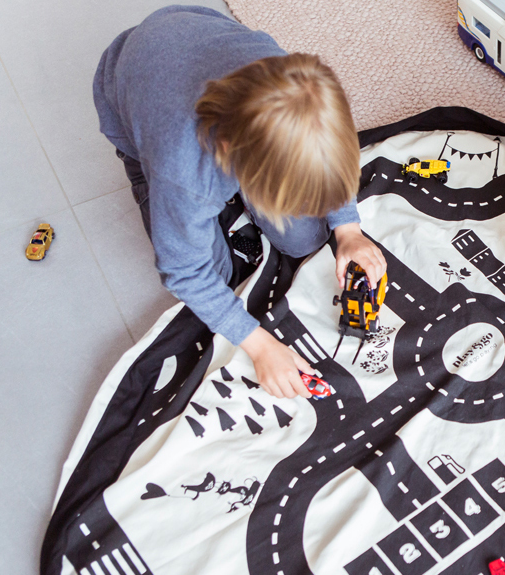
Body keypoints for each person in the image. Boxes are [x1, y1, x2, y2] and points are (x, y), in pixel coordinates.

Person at [93, 6, 385, 399]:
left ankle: (261, 204)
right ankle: (198, 202)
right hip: (132, 92)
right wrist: (260, 346)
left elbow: (326, 157)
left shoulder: (296, 85)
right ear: (232, 157)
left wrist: (348, 229)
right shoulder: (183, 173)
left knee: (304, 241)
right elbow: (185, 273)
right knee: (220, 275)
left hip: (189, 32)